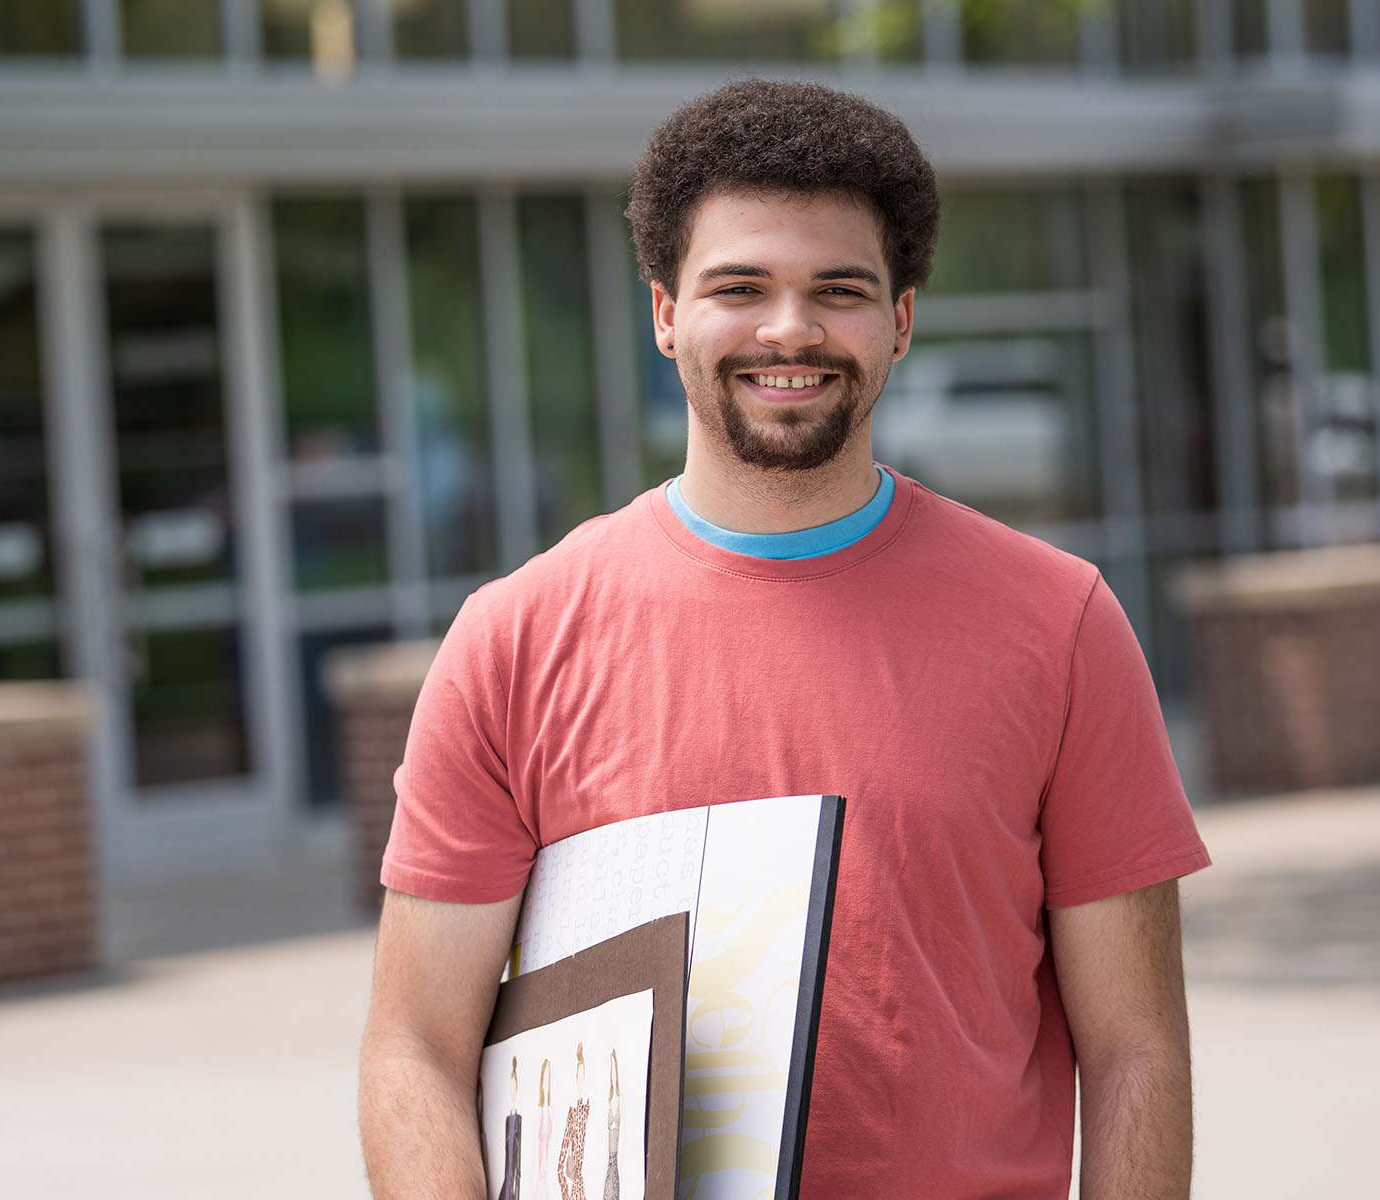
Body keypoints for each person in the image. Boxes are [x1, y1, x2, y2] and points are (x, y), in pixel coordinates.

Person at [359, 78, 1210, 1199]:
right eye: (739, 286)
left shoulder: (1058, 627)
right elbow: (413, 1047)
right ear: (664, 313)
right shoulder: (512, 641)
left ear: (901, 319)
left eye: (839, 290)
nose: (789, 329)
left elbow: (1134, 1048)